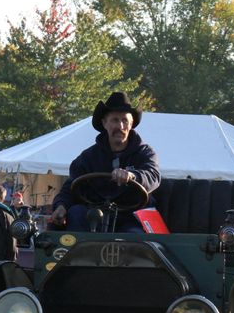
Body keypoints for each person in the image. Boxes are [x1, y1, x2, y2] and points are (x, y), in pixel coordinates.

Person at [51, 91, 160, 232]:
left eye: (125, 120)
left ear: (131, 124)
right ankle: (78, 254)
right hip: (96, 217)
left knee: (136, 236)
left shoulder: (144, 153)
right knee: (76, 213)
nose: (120, 126)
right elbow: (71, 186)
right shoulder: (88, 157)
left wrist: (132, 176)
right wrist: (61, 206)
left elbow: (153, 176)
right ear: (104, 123)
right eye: (115, 120)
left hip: (132, 217)